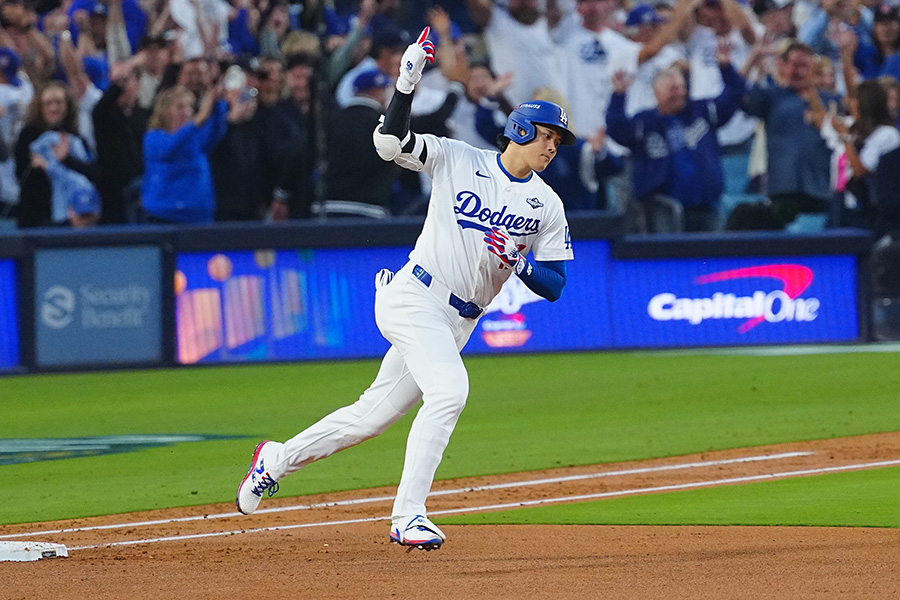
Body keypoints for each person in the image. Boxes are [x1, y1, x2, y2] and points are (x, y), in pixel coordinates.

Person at [236, 28, 575, 551]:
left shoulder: (547, 204)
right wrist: (406, 83)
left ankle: (275, 460)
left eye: (557, 141)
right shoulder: (459, 158)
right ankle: (408, 514)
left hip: (458, 321)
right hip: (415, 296)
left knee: (368, 419)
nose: (552, 146)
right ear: (520, 128)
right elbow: (389, 143)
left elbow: (555, 285)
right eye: (547, 135)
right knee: (450, 391)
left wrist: (521, 264)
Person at [607, 40, 746, 232]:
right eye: (673, 89)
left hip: (706, 204)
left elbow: (736, 95)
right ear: (657, 93)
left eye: (681, 87)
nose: (679, 93)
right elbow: (617, 129)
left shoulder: (702, 111)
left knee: (711, 249)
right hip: (662, 208)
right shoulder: (645, 122)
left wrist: (726, 68)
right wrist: (618, 96)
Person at [141, 83, 227, 223]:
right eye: (180, 107)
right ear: (165, 111)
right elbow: (172, 147)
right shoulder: (154, 138)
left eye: (189, 107)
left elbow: (215, 132)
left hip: (199, 217)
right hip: (165, 217)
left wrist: (218, 104)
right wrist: (199, 118)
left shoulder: (193, 138)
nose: (187, 112)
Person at [15, 81, 96, 228]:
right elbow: (21, 175)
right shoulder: (28, 136)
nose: (53, 108)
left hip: (73, 217)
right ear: (40, 107)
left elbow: (92, 174)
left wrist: (66, 159)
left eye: (58, 102)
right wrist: (41, 167)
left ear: (67, 106)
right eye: (48, 103)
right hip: (37, 217)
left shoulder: (76, 139)